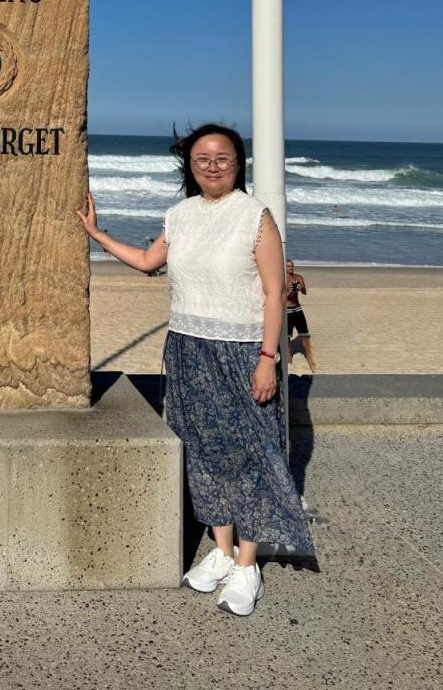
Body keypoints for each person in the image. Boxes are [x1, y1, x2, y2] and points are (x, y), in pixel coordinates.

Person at [77, 122, 313, 617]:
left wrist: (267, 359)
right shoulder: (180, 215)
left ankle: (247, 565)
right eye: (202, 158)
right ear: (189, 164)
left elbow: (274, 294)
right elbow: (148, 261)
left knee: (251, 455)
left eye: (222, 158)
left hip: (244, 351)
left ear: (238, 164)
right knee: (205, 452)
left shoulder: (255, 217)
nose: (212, 166)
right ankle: (222, 552)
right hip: (188, 348)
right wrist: (97, 234)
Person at [285, 259, 316, 372]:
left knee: (305, 334)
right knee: (287, 337)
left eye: (292, 265)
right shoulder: (281, 279)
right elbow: (280, 296)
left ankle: (309, 356)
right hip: (286, 311)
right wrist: (288, 291)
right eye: (288, 266)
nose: (291, 267)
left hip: (297, 309)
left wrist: (301, 287)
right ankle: (288, 357)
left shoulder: (298, 277)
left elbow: (304, 292)